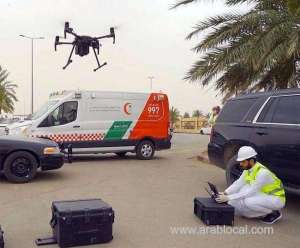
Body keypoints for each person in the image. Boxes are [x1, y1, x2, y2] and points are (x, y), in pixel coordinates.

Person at [215, 146, 285, 224]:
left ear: (251, 161)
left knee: (248, 201)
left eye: (243, 162)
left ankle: (272, 213)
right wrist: (225, 193)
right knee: (239, 195)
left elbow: (250, 192)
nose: (241, 164)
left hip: (276, 198)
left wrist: (228, 198)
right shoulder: (248, 169)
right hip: (264, 194)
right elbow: (239, 183)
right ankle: (256, 211)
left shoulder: (262, 173)